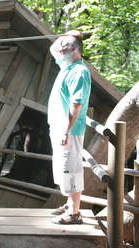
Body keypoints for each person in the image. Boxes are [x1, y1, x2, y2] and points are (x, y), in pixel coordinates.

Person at [47, 30, 91, 224]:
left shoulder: (79, 72)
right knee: (62, 168)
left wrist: (65, 130)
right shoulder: (65, 65)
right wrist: (66, 34)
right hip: (58, 127)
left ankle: (74, 213)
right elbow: (52, 48)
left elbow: (77, 105)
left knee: (70, 168)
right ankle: (69, 204)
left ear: (76, 50)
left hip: (70, 130)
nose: (61, 47)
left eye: (66, 44)